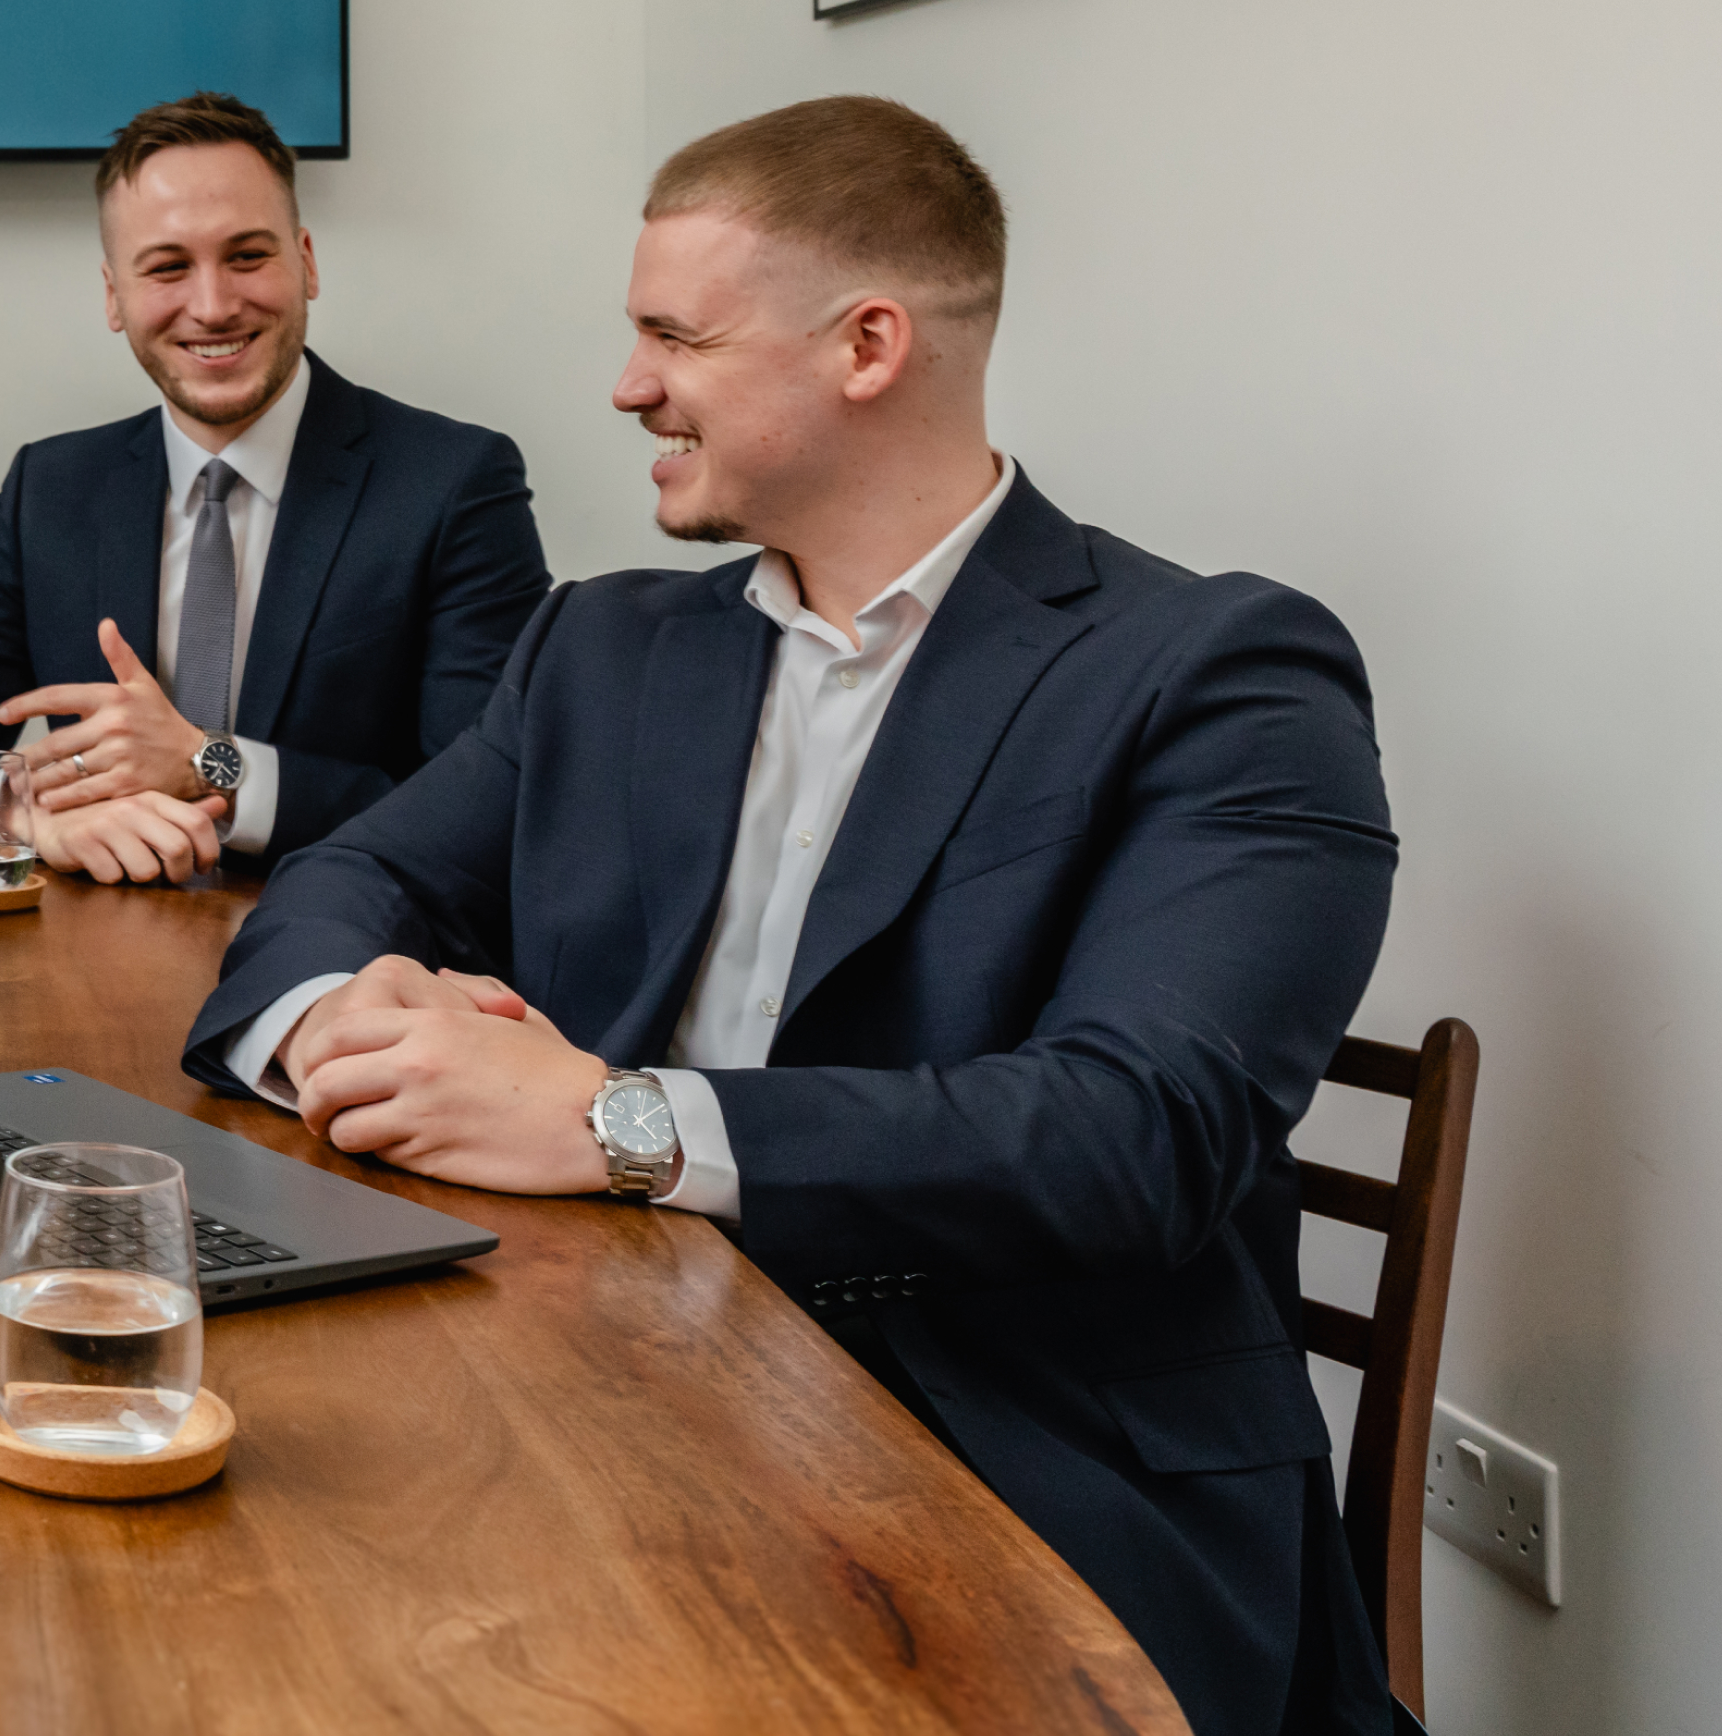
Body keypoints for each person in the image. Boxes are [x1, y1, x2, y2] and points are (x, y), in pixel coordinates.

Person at [186, 97, 1395, 1735]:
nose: (629, 385)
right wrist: (343, 1024)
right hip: (602, 1384)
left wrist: (613, 1120)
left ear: (869, 346)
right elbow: (355, 876)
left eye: (675, 335)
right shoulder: (601, 647)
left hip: (1022, 1460)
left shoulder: (1220, 674)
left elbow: (1137, 1128)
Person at [0, 91, 549, 884]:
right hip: (90, 957)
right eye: (168, 267)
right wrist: (36, 823)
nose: (213, 306)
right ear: (115, 296)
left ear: (307, 262)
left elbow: (487, 806)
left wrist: (211, 764)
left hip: (345, 961)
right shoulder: (51, 489)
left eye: (248, 255)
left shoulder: (455, 483)